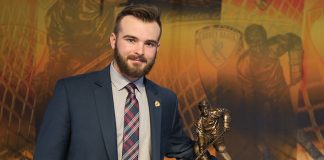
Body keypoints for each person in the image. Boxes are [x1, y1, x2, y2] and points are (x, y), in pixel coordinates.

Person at [34, 4, 200, 160]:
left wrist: (213, 142)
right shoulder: (71, 93)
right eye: (131, 40)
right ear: (113, 41)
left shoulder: (166, 100)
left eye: (149, 43)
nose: (139, 51)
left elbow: (184, 150)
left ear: (157, 47)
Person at [237, 24, 302, 159]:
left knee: (288, 130)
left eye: (260, 41)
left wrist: (295, 68)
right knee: (264, 136)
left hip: (281, 95)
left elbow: (295, 40)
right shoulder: (244, 63)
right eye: (253, 43)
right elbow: (249, 93)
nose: (258, 47)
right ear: (248, 44)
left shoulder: (275, 46)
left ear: (265, 39)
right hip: (262, 101)